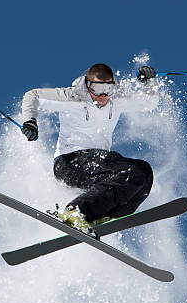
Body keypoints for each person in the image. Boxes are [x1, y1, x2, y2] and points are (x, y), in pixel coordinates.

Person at [20, 64, 158, 237]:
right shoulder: (72, 97)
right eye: (98, 89)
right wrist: (30, 121)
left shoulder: (116, 99)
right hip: (70, 164)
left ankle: (105, 214)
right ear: (88, 85)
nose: (103, 95)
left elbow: (148, 102)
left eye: (108, 89)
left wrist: (148, 82)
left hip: (101, 162)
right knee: (131, 173)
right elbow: (32, 95)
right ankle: (76, 210)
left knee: (144, 172)